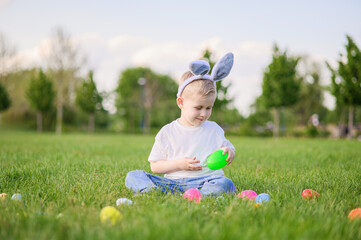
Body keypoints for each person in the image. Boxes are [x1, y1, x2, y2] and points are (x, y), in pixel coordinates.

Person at [125, 53, 236, 197]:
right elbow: (155, 166)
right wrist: (179, 164)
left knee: (225, 183)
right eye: (198, 108)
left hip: (206, 180)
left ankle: (200, 194)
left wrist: (229, 151)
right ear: (181, 103)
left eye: (208, 108)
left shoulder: (214, 129)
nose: (204, 113)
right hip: (173, 183)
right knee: (134, 176)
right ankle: (155, 192)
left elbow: (227, 148)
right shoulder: (168, 132)